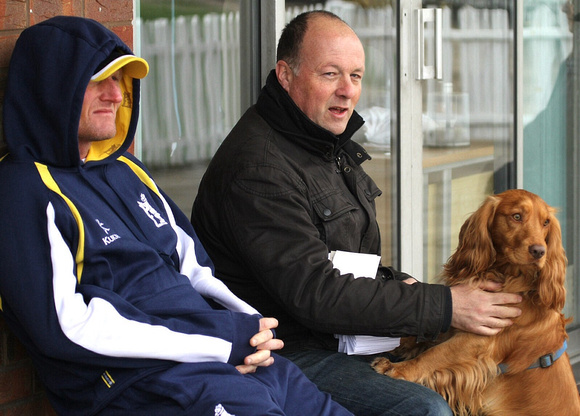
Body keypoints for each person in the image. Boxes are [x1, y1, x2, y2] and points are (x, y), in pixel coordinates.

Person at [0, 16, 352, 416]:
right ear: (54, 88)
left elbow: (197, 271)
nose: (116, 96)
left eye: (121, 82)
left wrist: (253, 328)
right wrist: (220, 342)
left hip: (225, 359)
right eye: (98, 80)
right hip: (146, 384)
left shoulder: (128, 171)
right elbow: (66, 327)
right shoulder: (21, 190)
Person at [191, 10, 522, 416]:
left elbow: (339, 260)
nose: (348, 90)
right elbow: (317, 294)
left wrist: (405, 285)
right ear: (285, 74)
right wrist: (446, 305)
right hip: (282, 350)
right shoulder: (259, 169)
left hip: (338, 335)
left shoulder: (319, 141)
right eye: (330, 74)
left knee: (487, 373)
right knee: (424, 409)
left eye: (357, 76)